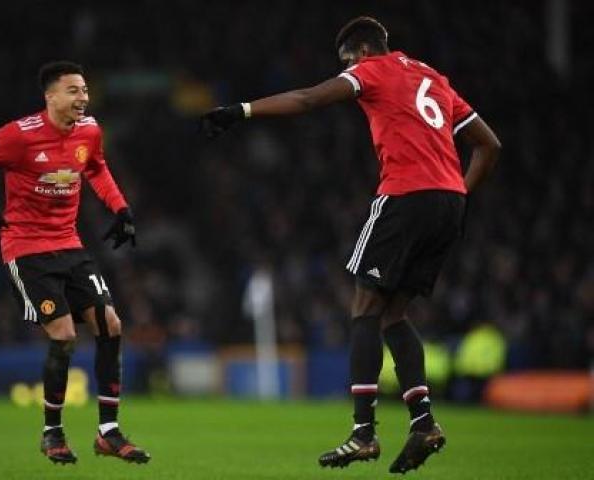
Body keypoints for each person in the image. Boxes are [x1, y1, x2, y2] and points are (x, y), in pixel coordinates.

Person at [200, 16, 500, 474]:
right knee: (394, 314)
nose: (346, 71)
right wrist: (458, 192)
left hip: (405, 195)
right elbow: (490, 145)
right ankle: (423, 423)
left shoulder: (372, 69)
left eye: (346, 63)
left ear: (360, 53)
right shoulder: (432, 77)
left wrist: (240, 110)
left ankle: (363, 433)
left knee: (363, 307)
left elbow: (306, 99)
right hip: (449, 204)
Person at [0, 61, 150, 466]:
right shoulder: (17, 136)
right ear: (51, 96)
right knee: (63, 334)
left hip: (69, 244)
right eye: (74, 90)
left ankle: (108, 432)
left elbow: (96, 168)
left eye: (85, 90)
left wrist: (121, 209)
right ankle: (52, 432)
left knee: (110, 323)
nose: (83, 98)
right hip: (26, 248)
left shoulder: (89, 131)